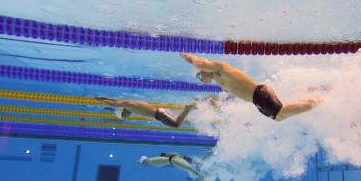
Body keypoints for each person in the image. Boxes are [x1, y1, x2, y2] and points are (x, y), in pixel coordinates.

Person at [180, 52, 320, 121]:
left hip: (259, 93)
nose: (201, 80)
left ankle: (316, 101)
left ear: (203, 71)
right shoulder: (217, 79)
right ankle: (310, 101)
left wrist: (189, 58)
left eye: (199, 76)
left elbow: (202, 63)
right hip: (256, 100)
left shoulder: (218, 67)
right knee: (278, 118)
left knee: (281, 113)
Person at [95, 96, 196, 128]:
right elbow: (116, 101)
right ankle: (194, 108)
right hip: (159, 112)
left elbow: (115, 104)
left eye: (125, 116)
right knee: (177, 120)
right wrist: (104, 98)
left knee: (176, 124)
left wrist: (102, 100)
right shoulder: (130, 105)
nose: (127, 117)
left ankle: (188, 108)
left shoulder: (129, 105)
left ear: (123, 111)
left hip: (159, 114)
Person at [139, 152, 205, 181]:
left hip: (176, 160)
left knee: (190, 167)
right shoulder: (174, 158)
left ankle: (198, 171)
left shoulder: (175, 160)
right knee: (193, 165)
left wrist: (200, 176)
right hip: (177, 159)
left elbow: (189, 168)